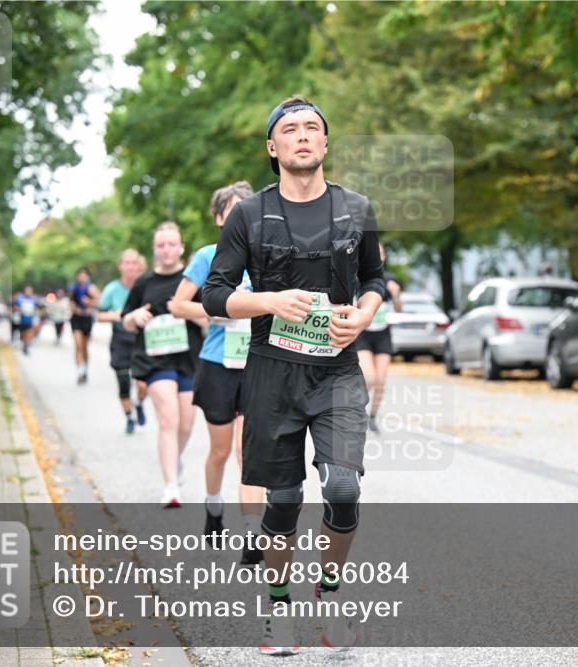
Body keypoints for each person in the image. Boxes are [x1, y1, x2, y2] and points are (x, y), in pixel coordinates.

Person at [201, 96, 385, 654]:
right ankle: (278, 610)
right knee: (282, 500)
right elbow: (214, 294)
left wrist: (366, 314)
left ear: (325, 144)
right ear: (272, 148)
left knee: (344, 488)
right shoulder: (248, 215)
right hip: (272, 375)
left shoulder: (356, 209)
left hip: (337, 372)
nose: (302, 136)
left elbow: (376, 277)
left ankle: (329, 596)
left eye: (312, 128)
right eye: (290, 129)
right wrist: (268, 301)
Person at [169, 180, 266, 564]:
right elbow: (178, 305)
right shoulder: (208, 255)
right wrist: (217, 309)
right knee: (221, 451)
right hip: (217, 365)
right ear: (219, 218)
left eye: (247, 208)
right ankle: (213, 507)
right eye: (232, 209)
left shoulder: (266, 256)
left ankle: (252, 535)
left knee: (248, 452)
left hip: (258, 363)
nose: (240, 215)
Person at [122, 222, 203, 507]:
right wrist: (136, 318)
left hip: (190, 360)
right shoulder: (144, 283)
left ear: (181, 247)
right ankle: (170, 486)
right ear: (154, 249)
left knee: (186, 421)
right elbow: (126, 320)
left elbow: (209, 321)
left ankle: (175, 459)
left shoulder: (193, 280)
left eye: (172, 244)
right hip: (155, 359)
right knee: (168, 418)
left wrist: (187, 313)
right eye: (161, 245)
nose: (166, 250)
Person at [98, 249, 148, 435]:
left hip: (141, 338)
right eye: (126, 263)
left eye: (133, 263)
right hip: (120, 339)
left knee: (144, 384)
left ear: (139, 265)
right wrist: (120, 314)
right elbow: (100, 315)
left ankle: (140, 403)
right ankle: (129, 417)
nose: (130, 267)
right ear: (120, 266)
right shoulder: (112, 288)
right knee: (124, 382)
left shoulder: (145, 285)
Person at [356, 243, 403, 434]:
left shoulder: (390, 279)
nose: (378, 256)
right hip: (363, 334)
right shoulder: (356, 277)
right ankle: (356, 408)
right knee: (370, 377)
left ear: (383, 257)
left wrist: (397, 295)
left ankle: (373, 416)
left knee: (381, 380)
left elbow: (399, 308)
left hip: (383, 335)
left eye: (381, 253)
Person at [69, 267, 100, 384]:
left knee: (84, 347)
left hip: (87, 319)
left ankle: (85, 368)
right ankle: (79, 371)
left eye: (84, 275)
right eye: (80, 275)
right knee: (78, 345)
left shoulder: (91, 288)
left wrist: (90, 303)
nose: (82, 277)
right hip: (76, 318)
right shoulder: (74, 288)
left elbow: (99, 301)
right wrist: (76, 309)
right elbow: (71, 303)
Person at [12, 285, 41, 355]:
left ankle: (26, 346)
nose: (28, 292)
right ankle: (24, 343)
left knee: (29, 333)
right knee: (22, 334)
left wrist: (35, 312)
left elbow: (37, 308)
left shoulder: (34, 299)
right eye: (27, 290)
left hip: (30, 320)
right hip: (21, 320)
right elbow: (15, 308)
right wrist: (20, 310)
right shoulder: (20, 299)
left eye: (30, 291)